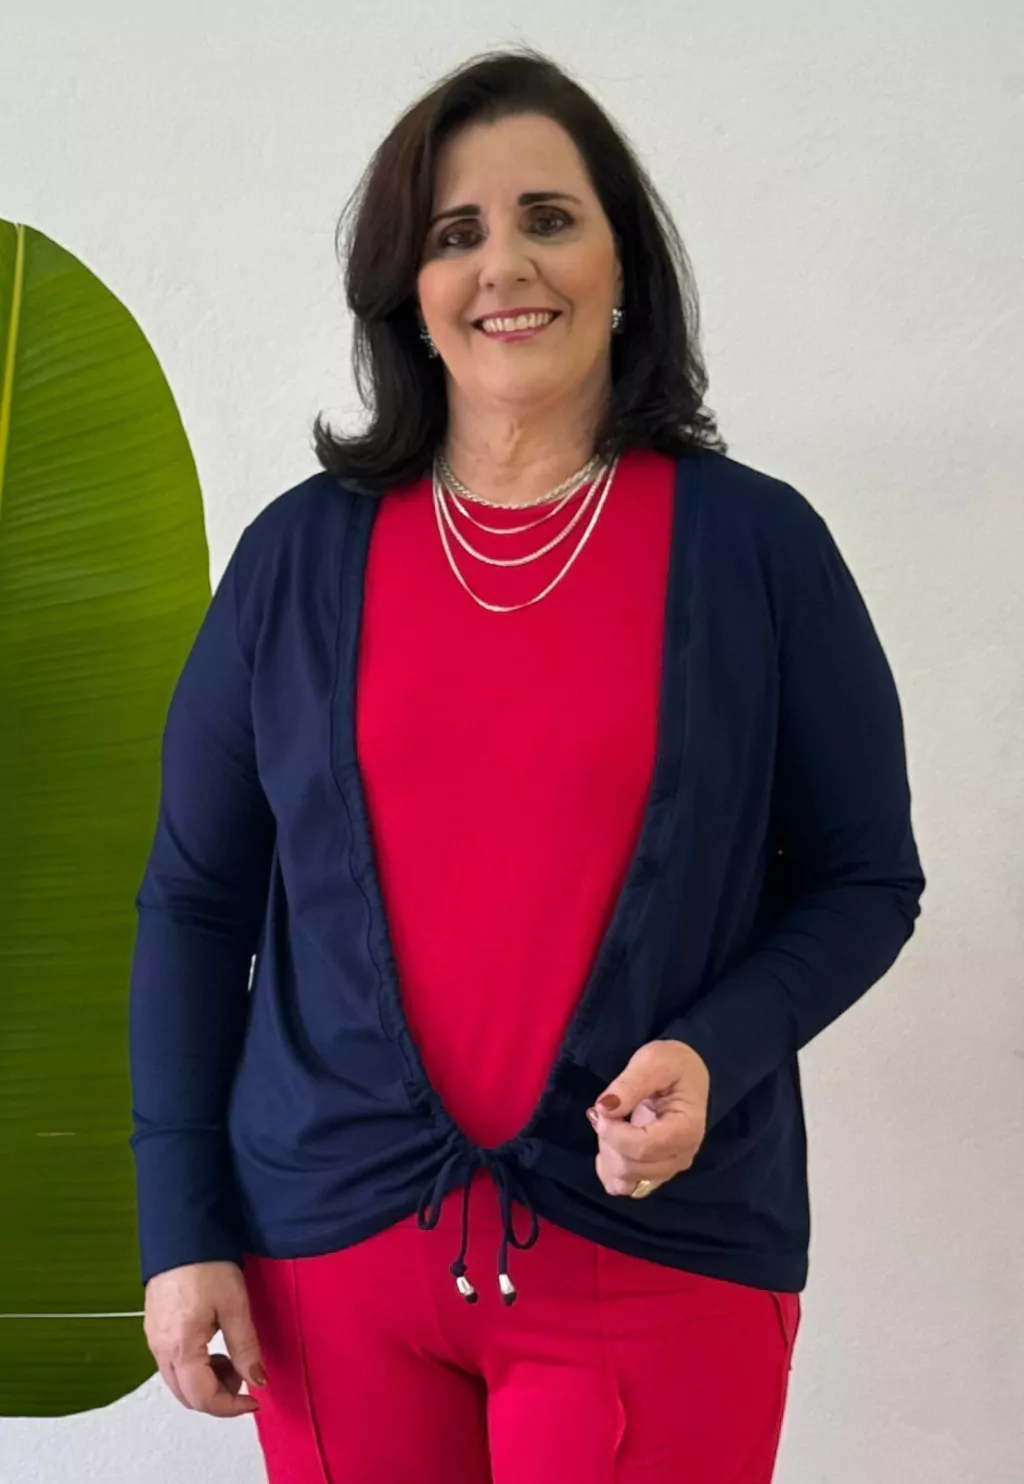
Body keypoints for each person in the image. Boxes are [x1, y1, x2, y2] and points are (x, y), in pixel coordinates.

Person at [129, 46, 926, 1484]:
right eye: (456, 233)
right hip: (330, 1263)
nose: (505, 265)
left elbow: (865, 878)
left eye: (549, 217)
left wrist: (715, 1050)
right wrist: (182, 1227)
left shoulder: (757, 551)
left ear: (623, 263)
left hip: (657, 1253)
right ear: (409, 291)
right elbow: (197, 900)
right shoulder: (295, 561)